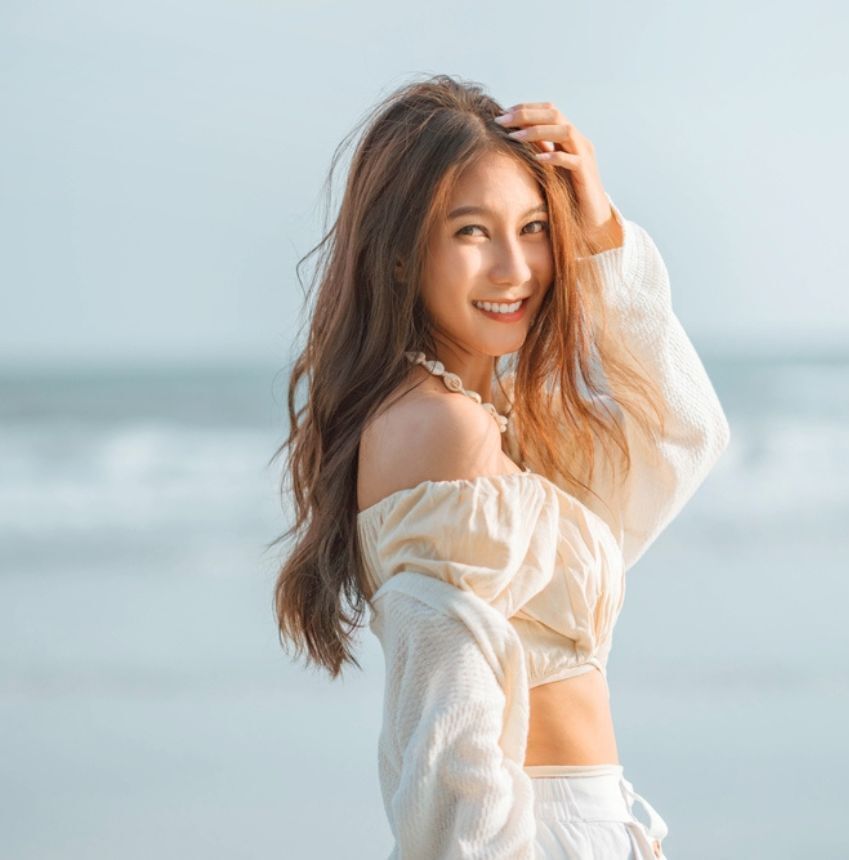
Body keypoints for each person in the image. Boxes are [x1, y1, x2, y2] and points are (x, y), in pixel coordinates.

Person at [272, 73, 731, 858]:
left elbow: (687, 435)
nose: (515, 269)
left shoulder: (503, 420)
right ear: (398, 255)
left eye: (533, 228)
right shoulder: (442, 429)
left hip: (595, 824)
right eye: (471, 232)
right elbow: (454, 757)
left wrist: (602, 229)